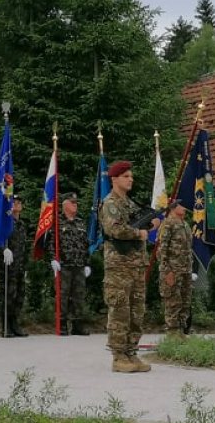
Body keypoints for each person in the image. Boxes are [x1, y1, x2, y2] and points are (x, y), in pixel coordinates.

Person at [100, 160, 160, 373]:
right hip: (119, 266)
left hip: (136, 265)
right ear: (114, 179)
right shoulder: (110, 204)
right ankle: (118, 356)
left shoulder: (130, 204)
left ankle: (131, 352)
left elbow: (140, 221)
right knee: (120, 310)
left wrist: (152, 223)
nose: (130, 179)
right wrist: (139, 233)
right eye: (126, 176)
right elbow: (115, 229)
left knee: (136, 311)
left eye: (131, 176)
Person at [47, 192, 91, 336]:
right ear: (65, 204)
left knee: (79, 295)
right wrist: (53, 258)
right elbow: (52, 242)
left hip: (79, 264)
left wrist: (87, 263)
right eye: (72, 202)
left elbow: (85, 244)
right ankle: (62, 324)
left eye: (76, 202)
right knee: (63, 294)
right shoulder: (56, 222)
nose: (75, 205)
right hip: (64, 264)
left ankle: (78, 324)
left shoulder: (80, 222)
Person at [0, 194, 29, 337]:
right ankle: (5, 325)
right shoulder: (3, 223)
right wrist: (3, 249)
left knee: (19, 296)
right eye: (14, 202)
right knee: (8, 296)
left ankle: (14, 323)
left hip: (19, 266)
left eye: (20, 202)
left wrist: (25, 266)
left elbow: (24, 248)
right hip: (7, 267)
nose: (17, 204)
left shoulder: (21, 225)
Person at [157, 201, 193, 338]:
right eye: (182, 205)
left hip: (185, 270)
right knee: (173, 301)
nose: (184, 208)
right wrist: (167, 271)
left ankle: (182, 330)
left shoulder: (185, 225)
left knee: (185, 300)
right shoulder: (168, 224)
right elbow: (162, 249)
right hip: (173, 270)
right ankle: (172, 332)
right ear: (174, 207)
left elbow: (189, 249)